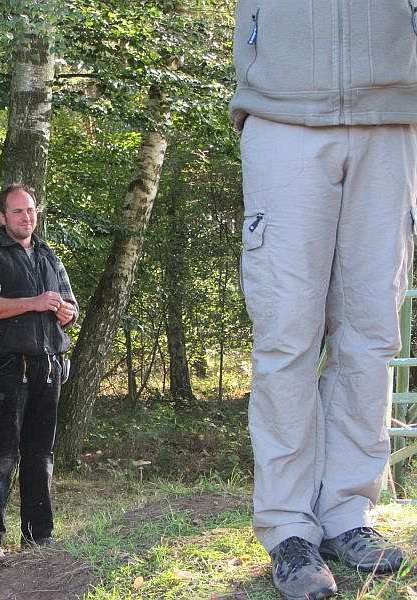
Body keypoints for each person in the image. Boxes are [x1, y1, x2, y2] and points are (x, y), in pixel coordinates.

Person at [231, 2, 417, 598]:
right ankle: (288, 526)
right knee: (286, 336)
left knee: (370, 336)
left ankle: (347, 512)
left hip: (393, 115)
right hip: (282, 110)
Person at [0, 183, 78, 557]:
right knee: (4, 453)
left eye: (30, 210)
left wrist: (65, 312)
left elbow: (71, 308)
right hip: (7, 365)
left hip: (49, 365)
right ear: (2, 217)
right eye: (17, 211)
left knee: (40, 454)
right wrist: (35, 302)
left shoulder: (50, 256)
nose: (26, 217)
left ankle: (39, 537)